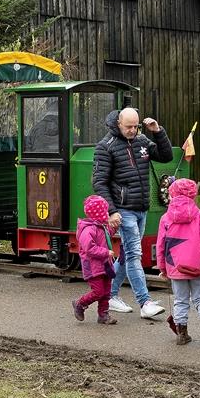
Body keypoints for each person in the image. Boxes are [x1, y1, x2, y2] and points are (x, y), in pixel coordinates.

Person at [91, 107, 172, 320]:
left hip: (141, 207)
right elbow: (99, 182)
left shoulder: (142, 140)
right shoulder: (105, 147)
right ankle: (144, 302)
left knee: (127, 255)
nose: (133, 130)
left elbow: (165, 156)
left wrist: (158, 131)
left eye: (136, 126)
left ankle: (110, 295)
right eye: (128, 127)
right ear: (118, 123)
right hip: (123, 209)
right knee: (135, 254)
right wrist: (112, 210)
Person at [157, 178, 200, 345]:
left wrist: (163, 267)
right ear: (193, 194)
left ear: (172, 193)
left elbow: (161, 245)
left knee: (180, 300)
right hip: (195, 266)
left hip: (175, 266)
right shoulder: (199, 215)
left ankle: (182, 333)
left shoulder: (165, 218)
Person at [73, 194, 119, 325]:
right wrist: (105, 252)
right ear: (98, 213)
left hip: (105, 265)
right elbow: (89, 249)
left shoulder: (102, 227)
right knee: (98, 291)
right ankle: (80, 303)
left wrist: (115, 225)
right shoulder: (88, 230)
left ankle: (103, 315)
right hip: (93, 266)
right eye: (105, 211)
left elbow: (109, 233)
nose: (107, 214)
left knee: (106, 292)